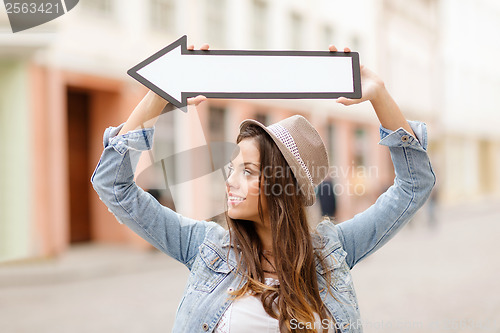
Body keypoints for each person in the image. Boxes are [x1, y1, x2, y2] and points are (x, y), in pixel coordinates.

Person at [91, 43, 436, 333]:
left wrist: (379, 96)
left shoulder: (332, 253)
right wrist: (157, 96)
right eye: (232, 168)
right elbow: (114, 186)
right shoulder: (206, 248)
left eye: (247, 171)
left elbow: (413, 186)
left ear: (279, 186)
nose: (230, 180)